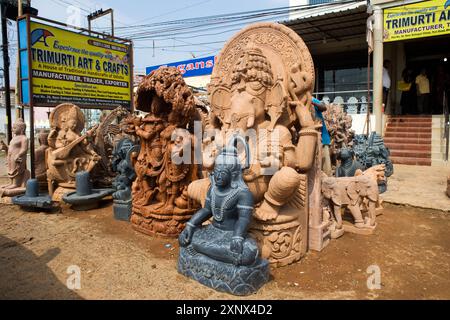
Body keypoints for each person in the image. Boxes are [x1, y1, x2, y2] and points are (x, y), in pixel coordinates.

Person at [312, 97, 332, 176]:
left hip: (323, 139)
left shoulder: (311, 99)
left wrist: (312, 102)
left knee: (326, 167)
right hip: (310, 139)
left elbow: (323, 107)